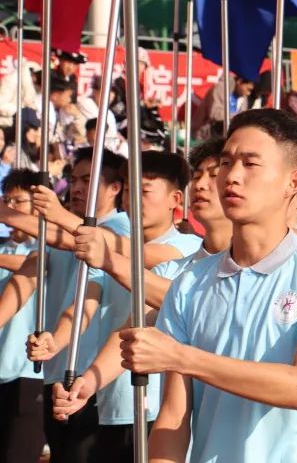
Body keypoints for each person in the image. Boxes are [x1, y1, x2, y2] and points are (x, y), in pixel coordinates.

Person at [119, 108, 297, 462]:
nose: (232, 176)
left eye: (250, 164)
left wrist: (181, 356)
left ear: (293, 182)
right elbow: (174, 416)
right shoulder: (189, 284)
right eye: (226, 162)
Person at [27, 152, 202, 461]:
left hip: (157, 406)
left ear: (175, 199)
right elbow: (84, 306)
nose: (134, 200)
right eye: (130, 190)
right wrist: (56, 341)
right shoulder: (108, 252)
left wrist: (61, 216)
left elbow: (134, 258)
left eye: (145, 191)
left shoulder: (186, 248)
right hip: (110, 401)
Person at [0, 146, 130, 463]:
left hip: (95, 379)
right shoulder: (55, 235)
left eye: (88, 180)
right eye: (74, 180)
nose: (77, 188)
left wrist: (9, 214)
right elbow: (30, 272)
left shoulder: (119, 230)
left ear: (115, 188)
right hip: (56, 373)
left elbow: (83, 243)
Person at [0, 169, 46, 462]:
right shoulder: (3, 247)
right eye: (6, 200)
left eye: (18, 201)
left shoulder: (49, 247)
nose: (10, 207)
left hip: (29, 372)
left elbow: (35, 263)